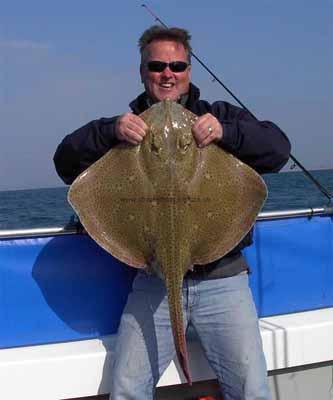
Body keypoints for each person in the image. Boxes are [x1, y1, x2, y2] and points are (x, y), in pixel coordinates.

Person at [54, 26, 291, 400]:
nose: (168, 73)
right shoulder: (124, 127)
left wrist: (225, 133)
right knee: (127, 388)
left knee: (251, 390)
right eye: (158, 65)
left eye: (177, 65)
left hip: (223, 279)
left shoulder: (219, 115)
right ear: (143, 71)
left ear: (189, 70)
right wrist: (109, 131)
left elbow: (278, 150)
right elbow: (65, 162)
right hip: (154, 278)